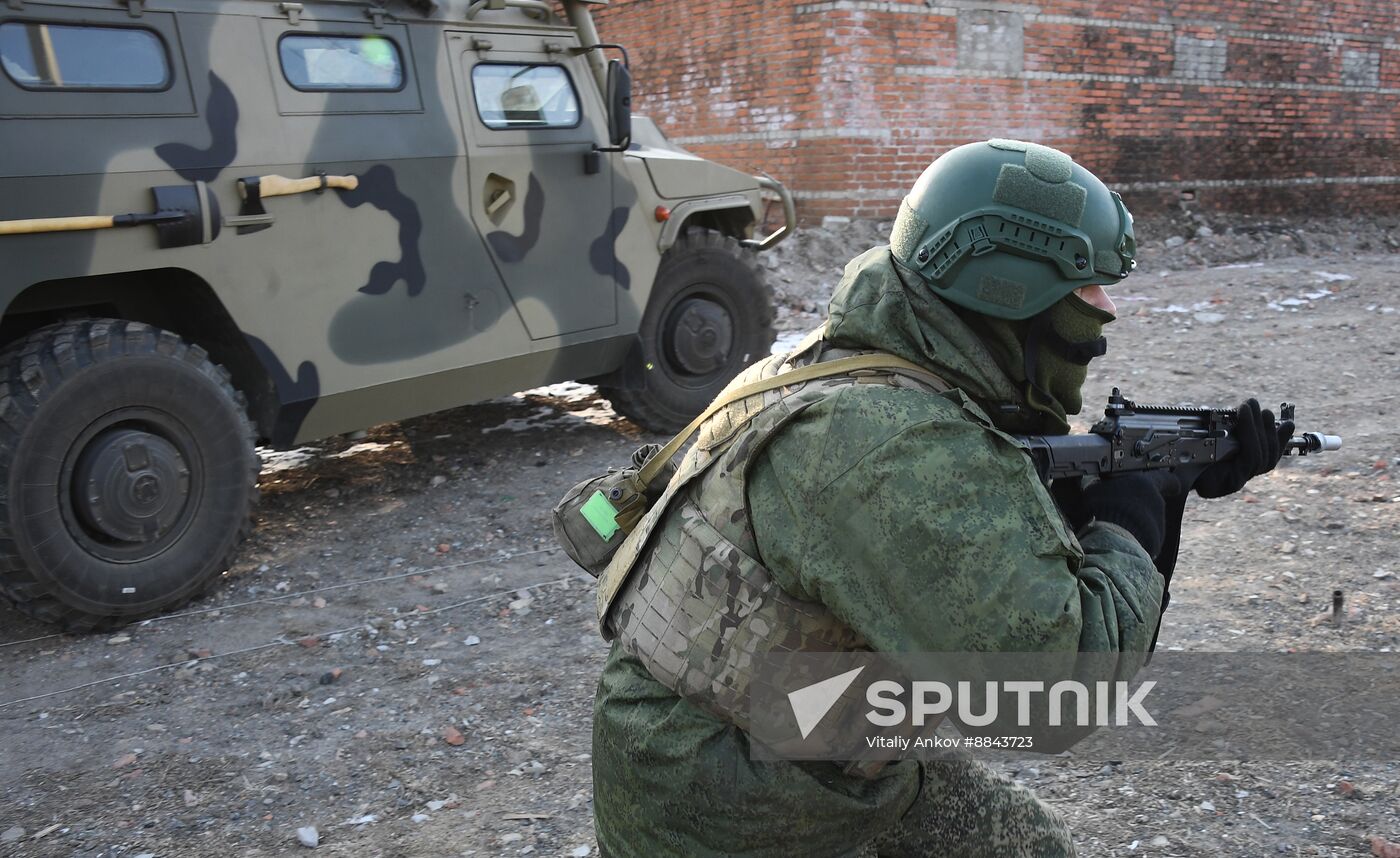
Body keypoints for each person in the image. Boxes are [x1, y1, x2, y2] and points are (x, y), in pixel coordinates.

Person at [590, 139, 1291, 857]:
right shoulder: (887, 445)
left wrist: (1158, 485)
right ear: (1009, 288)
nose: (1106, 309)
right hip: (733, 808)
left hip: (741, 743)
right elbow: (1053, 698)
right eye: (1087, 286)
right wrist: (1133, 515)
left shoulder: (845, 367)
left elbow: (969, 546)